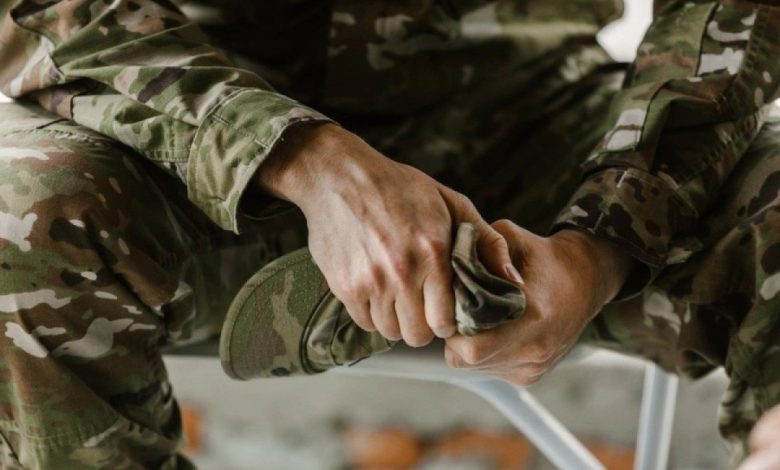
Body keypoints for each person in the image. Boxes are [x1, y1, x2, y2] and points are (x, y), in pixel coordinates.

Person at [0, 0, 777, 467]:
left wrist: (603, 243)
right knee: (22, 216)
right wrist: (303, 158)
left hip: (538, 123)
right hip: (203, 123)